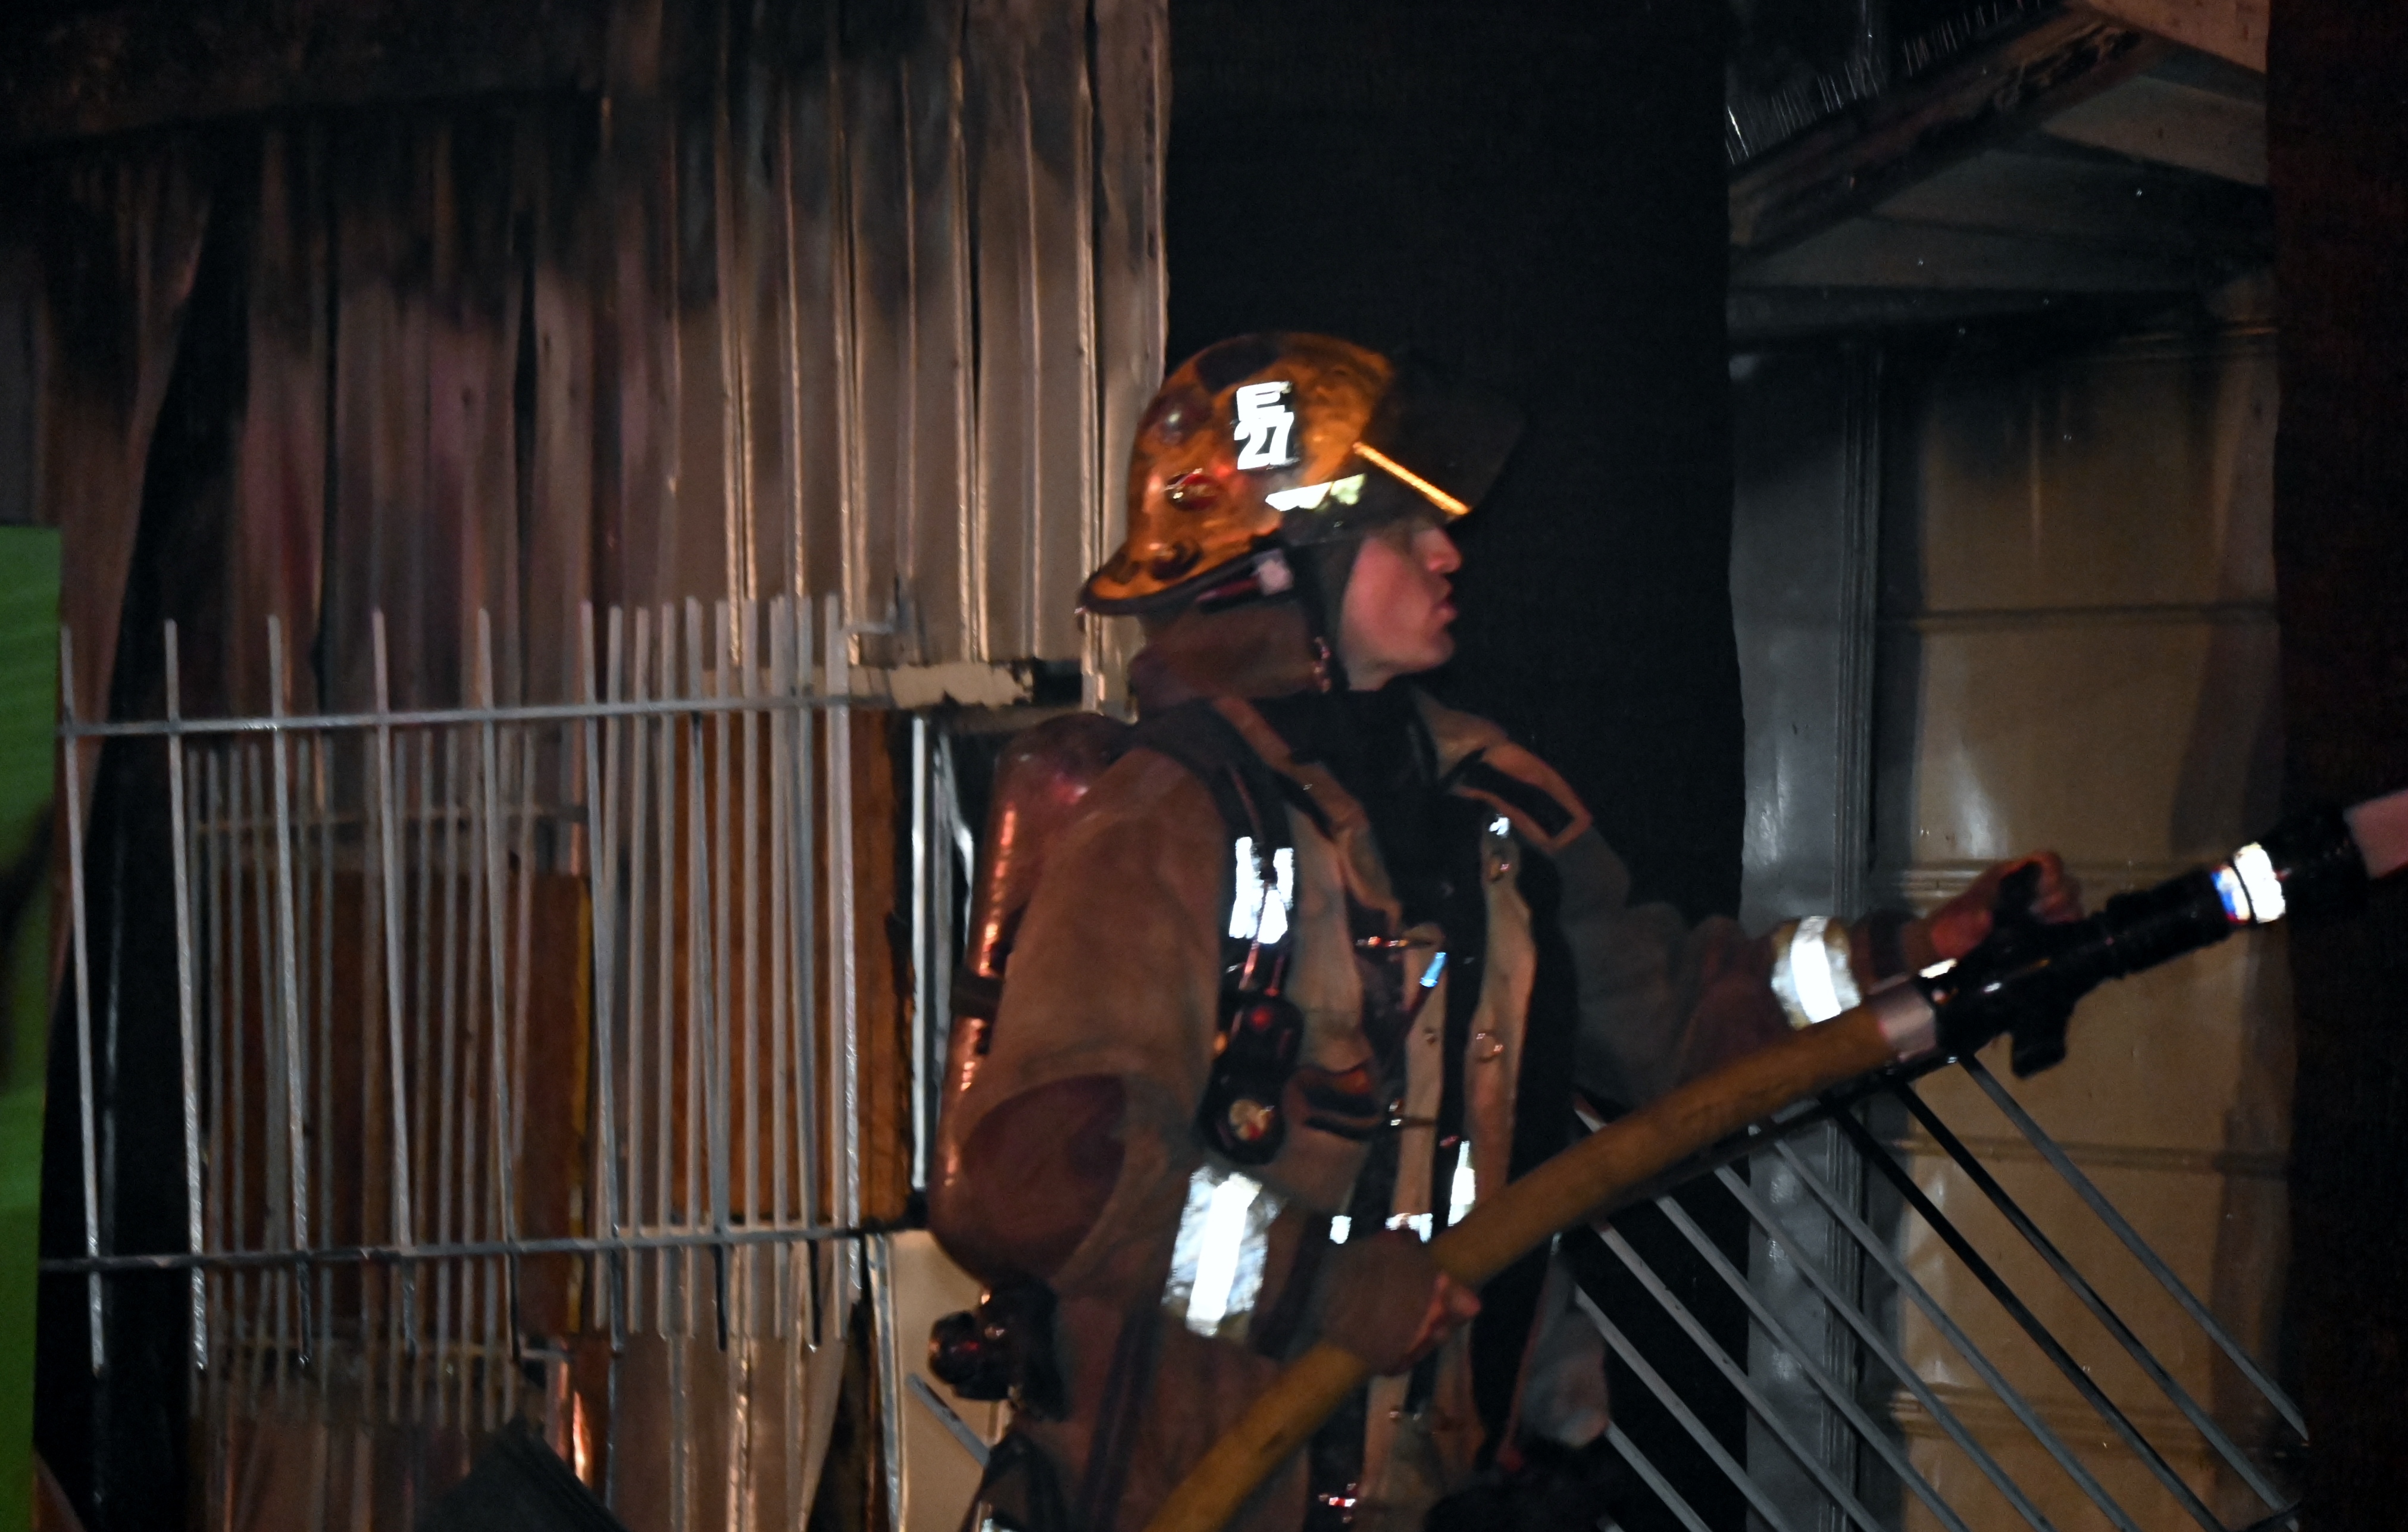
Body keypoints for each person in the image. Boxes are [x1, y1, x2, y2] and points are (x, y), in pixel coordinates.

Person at [927, 333, 2079, 1532]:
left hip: (1455, 1487)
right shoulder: (1168, 822)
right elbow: (1041, 1174)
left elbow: (1680, 1012)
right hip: (1198, 1496)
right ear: (1282, 571)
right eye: (1401, 528)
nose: (1447, 550)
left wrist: (1921, 951)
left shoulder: (1481, 803)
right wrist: (1315, 1285)